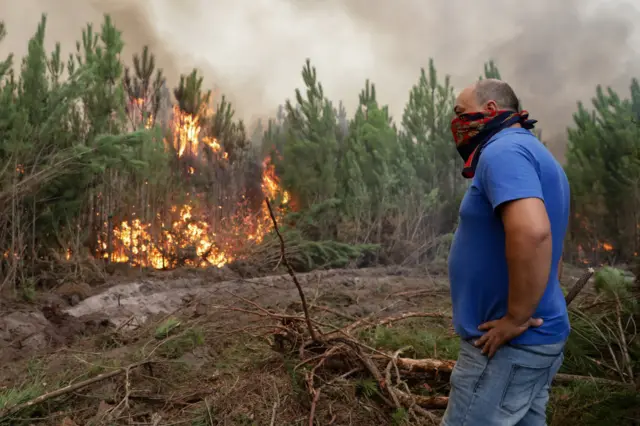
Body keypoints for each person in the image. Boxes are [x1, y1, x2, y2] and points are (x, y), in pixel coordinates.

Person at [442, 79, 570, 426]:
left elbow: (534, 233)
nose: (456, 123)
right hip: (533, 342)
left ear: (491, 111)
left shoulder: (503, 152)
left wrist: (516, 317)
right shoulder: (534, 154)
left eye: (460, 113)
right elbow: (555, 251)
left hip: (503, 349)